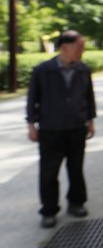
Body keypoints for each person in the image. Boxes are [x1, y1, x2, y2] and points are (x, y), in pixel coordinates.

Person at [26, 30, 96, 229]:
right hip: (51, 129)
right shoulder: (43, 70)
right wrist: (31, 124)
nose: (82, 50)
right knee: (49, 171)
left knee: (76, 168)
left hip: (77, 127)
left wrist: (90, 120)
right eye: (79, 46)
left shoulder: (83, 69)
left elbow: (89, 97)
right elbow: (32, 98)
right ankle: (49, 210)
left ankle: (76, 202)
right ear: (65, 47)